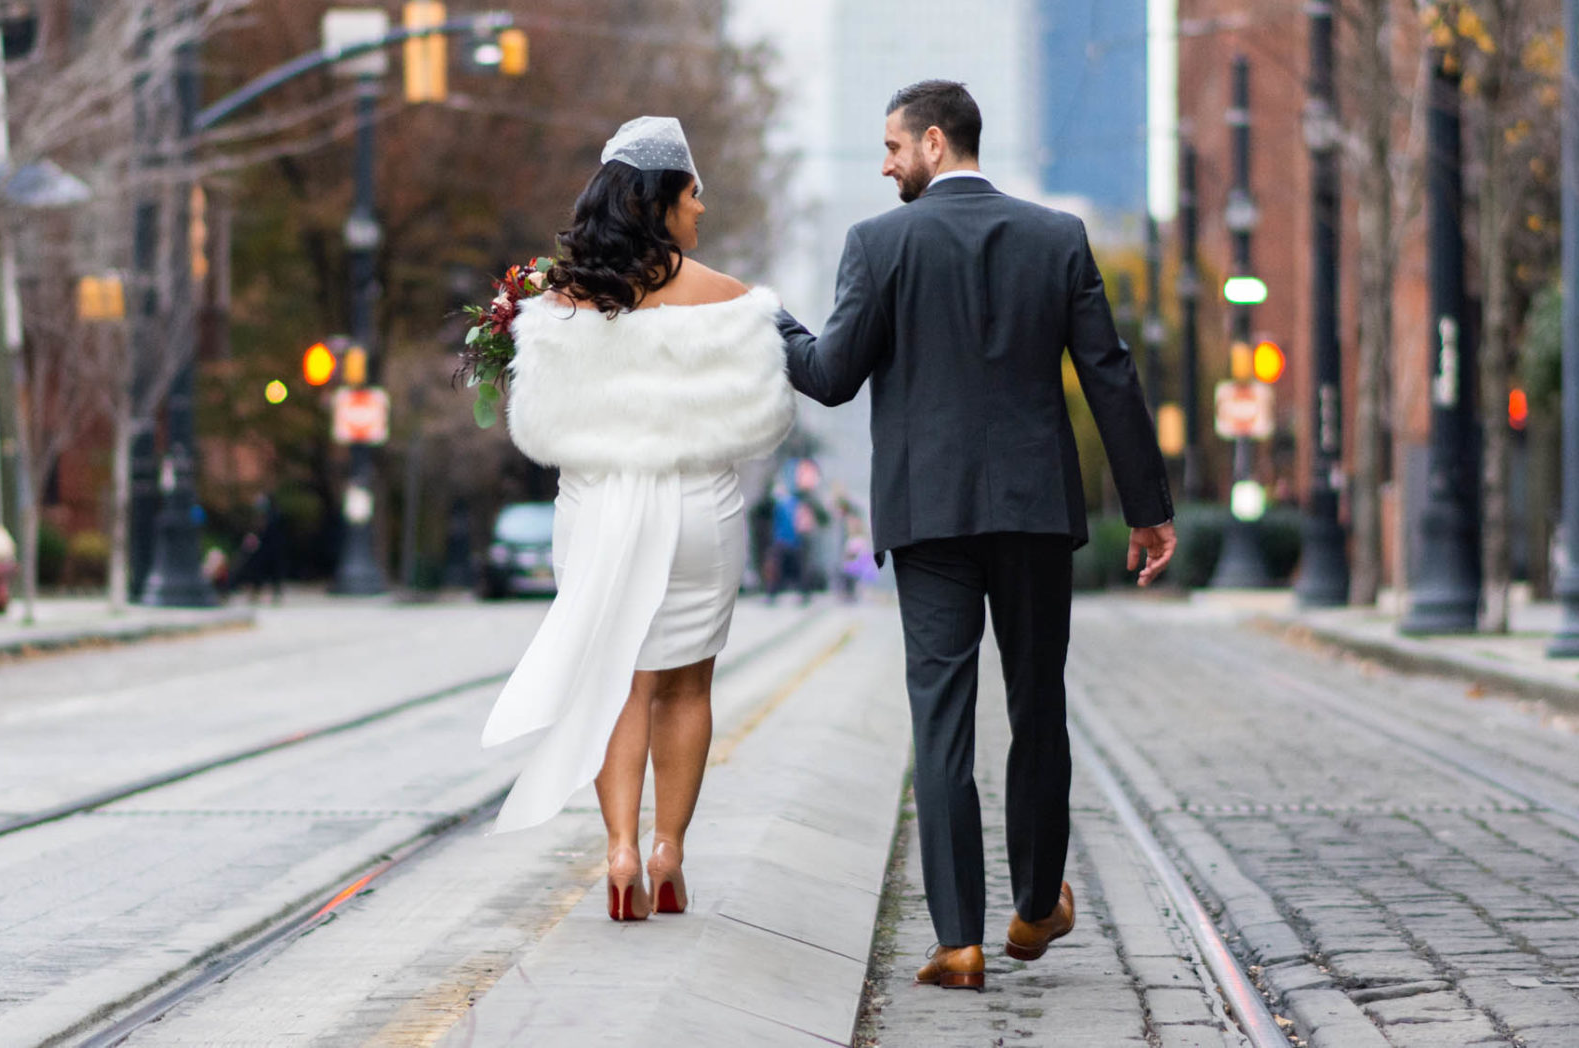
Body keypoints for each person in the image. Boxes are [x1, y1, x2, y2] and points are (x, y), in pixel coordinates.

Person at [775, 81, 1177, 991]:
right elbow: (1109, 378)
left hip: (930, 515)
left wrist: (770, 321)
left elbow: (831, 376)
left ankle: (957, 939)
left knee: (941, 717)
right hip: (1035, 511)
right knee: (1038, 700)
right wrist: (1149, 507)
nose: (884, 165)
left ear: (933, 140)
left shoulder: (878, 246)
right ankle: (1037, 905)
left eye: (890, 148)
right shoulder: (1056, 238)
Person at [480, 116, 795, 922]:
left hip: (596, 506)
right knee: (687, 687)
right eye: (695, 194)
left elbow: (538, 427)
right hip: (699, 505)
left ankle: (618, 850)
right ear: (663, 198)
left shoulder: (558, 304)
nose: (703, 209)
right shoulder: (728, 299)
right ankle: (668, 854)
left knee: (618, 682)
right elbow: (766, 420)